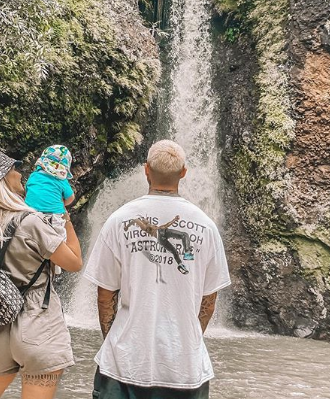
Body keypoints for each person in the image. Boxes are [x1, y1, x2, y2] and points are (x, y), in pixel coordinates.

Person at [84, 140, 231, 400]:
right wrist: (188, 339)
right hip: (185, 368)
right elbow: (209, 299)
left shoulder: (118, 220)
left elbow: (105, 295)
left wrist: (113, 341)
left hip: (123, 364)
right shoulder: (207, 227)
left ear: (146, 170)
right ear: (184, 172)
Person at [0, 146, 83, 400]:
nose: (20, 174)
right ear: (3, 178)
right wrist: (65, 217)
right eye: (14, 169)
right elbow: (74, 263)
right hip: (38, 326)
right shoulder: (30, 223)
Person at [25, 145, 76, 274]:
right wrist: (61, 202)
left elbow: (29, 191)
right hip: (54, 218)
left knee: (35, 241)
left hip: (31, 217)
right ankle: (56, 265)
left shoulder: (33, 176)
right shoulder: (60, 180)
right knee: (59, 240)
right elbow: (71, 198)